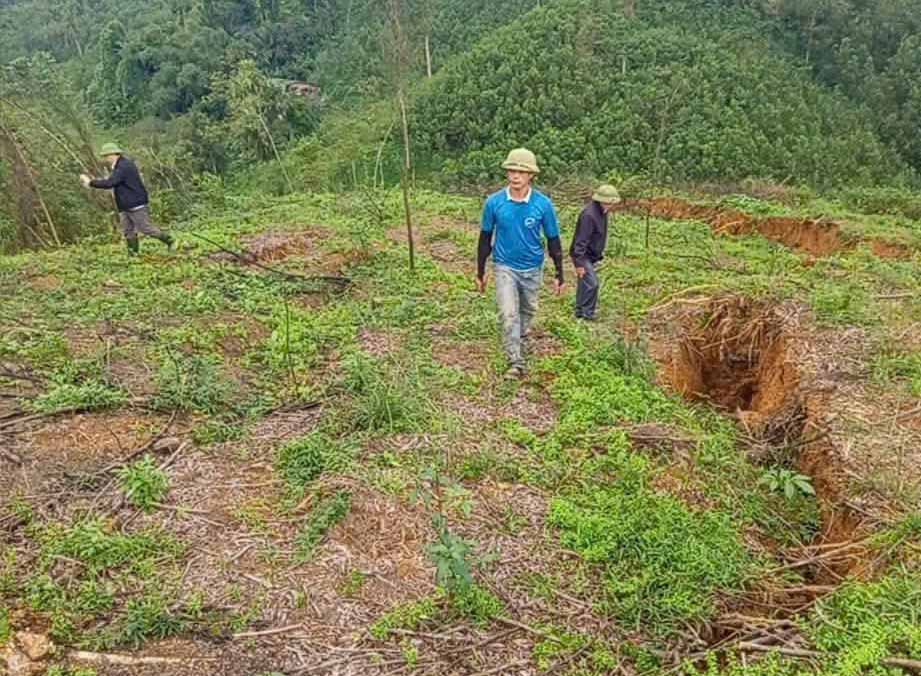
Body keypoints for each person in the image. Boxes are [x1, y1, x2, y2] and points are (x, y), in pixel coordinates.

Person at [476, 148, 565, 377]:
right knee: (508, 313)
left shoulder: (543, 205)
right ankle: (515, 360)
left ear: (531, 175)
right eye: (511, 171)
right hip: (504, 265)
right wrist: (480, 271)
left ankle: (520, 335)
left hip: (533, 267)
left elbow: (553, 239)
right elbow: (485, 238)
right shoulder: (494, 203)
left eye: (521, 172)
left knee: (528, 309)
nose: (515, 176)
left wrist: (559, 274)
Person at [80, 143, 173, 255]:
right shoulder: (119, 166)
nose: (105, 159)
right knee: (128, 231)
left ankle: (170, 240)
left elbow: (111, 183)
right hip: (124, 204)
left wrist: (90, 182)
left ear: (114, 154)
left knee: (145, 228)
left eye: (106, 156)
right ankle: (133, 254)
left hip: (135, 202)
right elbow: (113, 181)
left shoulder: (123, 166)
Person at [570, 184, 621, 321]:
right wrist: (579, 263)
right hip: (582, 255)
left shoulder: (602, 212)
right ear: (600, 200)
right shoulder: (589, 215)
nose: (610, 205)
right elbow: (580, 241)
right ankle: (588, 313)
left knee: (584, 283)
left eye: (611, 203)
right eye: (607, 202)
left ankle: (579, 311)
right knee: (592, 283)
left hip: (591, 255)